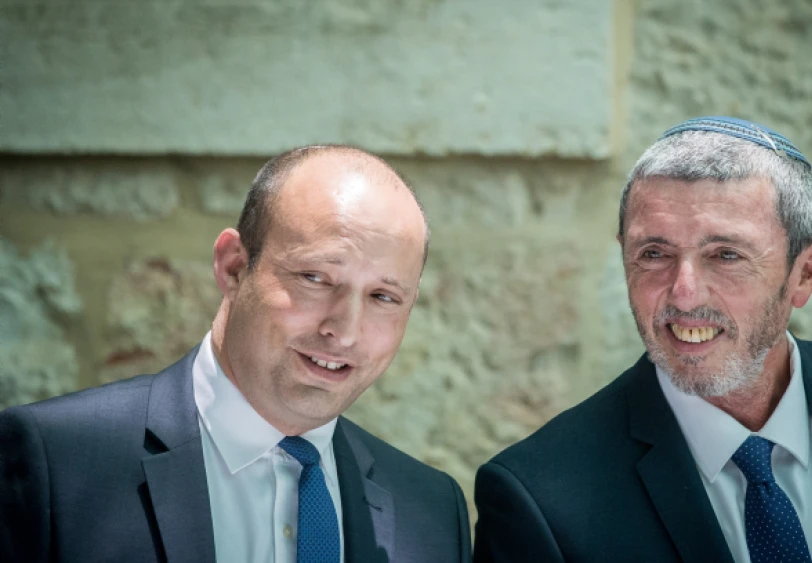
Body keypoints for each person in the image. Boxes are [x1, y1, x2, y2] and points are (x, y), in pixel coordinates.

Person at [473, 116, 812, 563]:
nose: (683, 294)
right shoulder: (540, 497)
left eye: (726, 255)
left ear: (806, 273)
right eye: (653, 253)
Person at [0, 145, 471, 563]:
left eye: (383, 297)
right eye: (316, 278)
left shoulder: (432, 512)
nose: (344, 332)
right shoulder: (57, 464)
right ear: (233, 267)